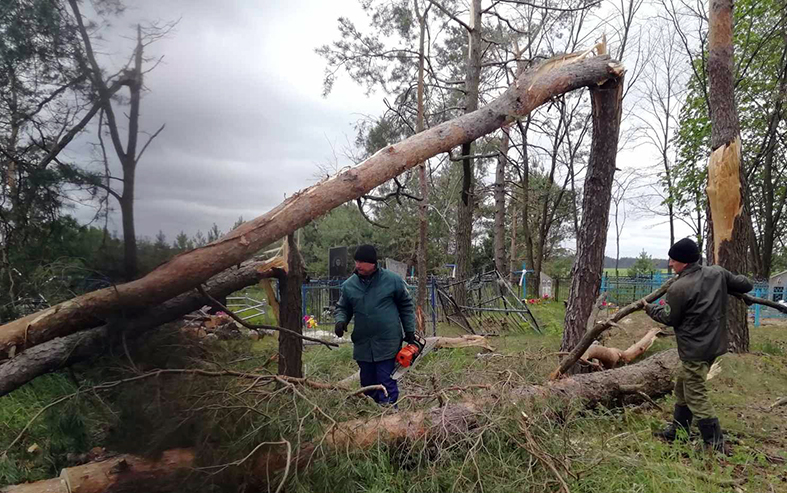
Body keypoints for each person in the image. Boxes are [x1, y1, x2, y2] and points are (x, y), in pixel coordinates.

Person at [640, 238, 753, 453]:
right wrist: (732, 284)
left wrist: (649, 308)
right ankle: (679, 431)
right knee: (683, 384)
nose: (670, 264)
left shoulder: (679, 287)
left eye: (673, 260)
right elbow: (745, 285)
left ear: (683, 262)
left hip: (695, 349)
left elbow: (669, 318)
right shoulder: (717, 273)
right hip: (714, 344)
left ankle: (714, 442)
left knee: (695, 393)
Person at [334, 245, 415, 405]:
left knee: (386, 379)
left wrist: (410, 331)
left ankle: (389, 415)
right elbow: (343, 307)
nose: (358, 265)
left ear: (373, 263)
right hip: (363, 343)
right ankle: (371, 413)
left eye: (362, 262)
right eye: (356, 261)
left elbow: (406, 305)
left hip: (387, 342)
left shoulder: (392, 281)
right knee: (367, 383)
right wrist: (340, 320)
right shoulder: (349, 285)